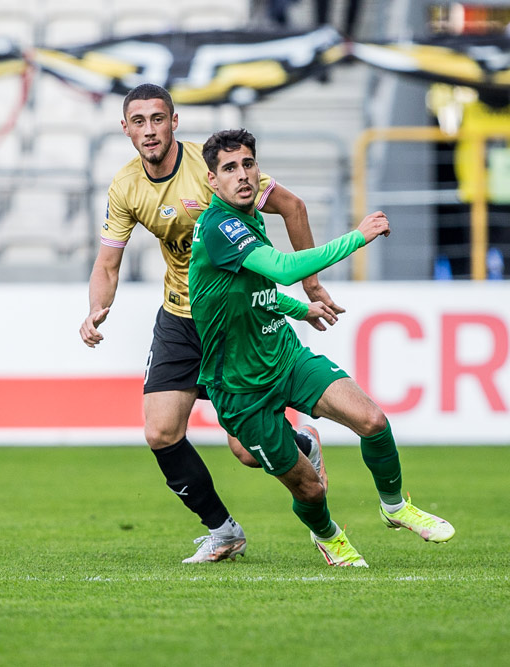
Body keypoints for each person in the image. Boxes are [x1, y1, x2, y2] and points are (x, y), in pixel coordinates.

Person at [79, 84, 341, 564]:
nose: (149, 130)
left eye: (158, 119)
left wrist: (312, 286)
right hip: (179, 317)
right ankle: (223, 531)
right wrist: (98, 308)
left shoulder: (213, 168)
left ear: (174, 122)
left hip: (232, 321)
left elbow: (293, 207)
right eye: (138, 121)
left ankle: (301, 443)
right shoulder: (125, 186)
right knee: (160, 432)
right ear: (125, 129)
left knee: (244, 451)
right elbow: (107, 263)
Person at [189, 128, 455, 567]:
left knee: (372, 419)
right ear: (212, 182)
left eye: (248, 164)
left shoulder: (251, 215)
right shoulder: (219, 227)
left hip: (284, 355)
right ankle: (328, 535)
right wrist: (356, 237)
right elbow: (282, 267)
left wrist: (300, 310)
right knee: (309, 487)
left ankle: (395, 507)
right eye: (229, 168)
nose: (242, 175)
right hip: (241, 389)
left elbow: (252, 293)